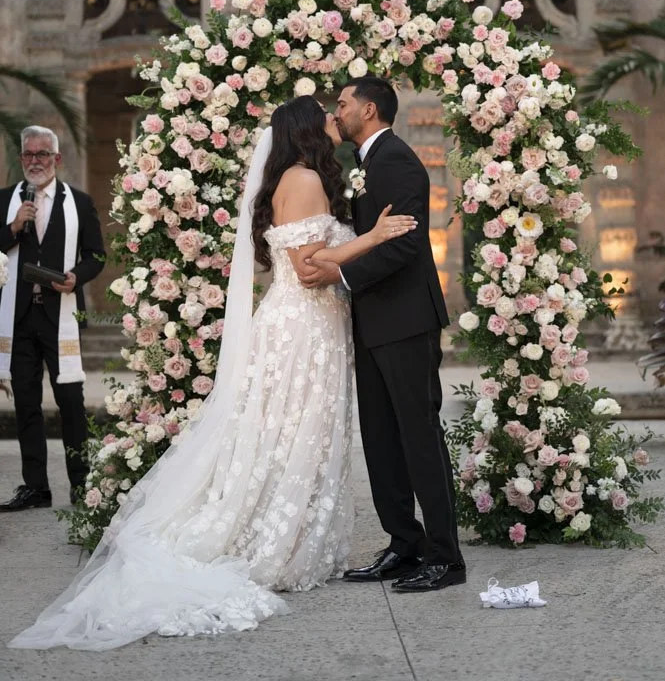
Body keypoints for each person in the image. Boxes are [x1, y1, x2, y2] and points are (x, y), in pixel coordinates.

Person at [9, 96, 415, 650]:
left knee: (294, 434)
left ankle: (292, 535)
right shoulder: (304, 179)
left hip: (307, 327)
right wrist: (374, 236)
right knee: (296, 432)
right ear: (303, 129)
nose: (331, 118)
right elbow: (309, 268)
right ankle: (278, 541)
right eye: (322, 113)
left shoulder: (297, 178)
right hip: (303, 330)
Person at [300, 77, 465, 593]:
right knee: (380, 437)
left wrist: (340, 275)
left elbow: (405, 247)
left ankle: (445, 557)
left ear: (369, 109)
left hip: (406, 321)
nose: (337, 111)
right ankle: (403, 543)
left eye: (344, 104)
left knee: (418, 437)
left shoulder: (396, 160)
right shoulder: (367, 164)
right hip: (372, 321)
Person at [0, 126, 105, 512]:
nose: (35, 161)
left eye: (42, 154)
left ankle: (81, 486)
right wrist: (13, 227)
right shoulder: (6, 201)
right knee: (26, 404)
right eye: (28, 154)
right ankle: (36, 488)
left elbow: (98, 256)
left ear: (57, 159)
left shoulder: (78, 202)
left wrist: (78, 275)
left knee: (71, 404)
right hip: (20, 319)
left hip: (60, 316)